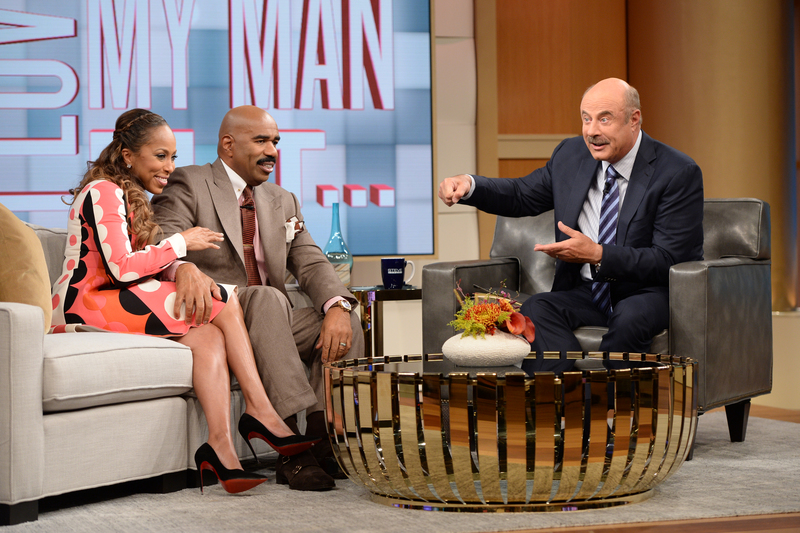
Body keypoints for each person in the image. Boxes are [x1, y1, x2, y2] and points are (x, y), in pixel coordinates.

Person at [51, 109, 318, 495]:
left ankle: (221, 447)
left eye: (173, 157)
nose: (170, 167)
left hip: (112, 296)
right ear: (128, 155)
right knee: (220, 299)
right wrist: (181, 242)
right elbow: (121, 269)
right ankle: (260, 410)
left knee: (209, 336)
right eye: (161, 156)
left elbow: (137, 268)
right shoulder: (103, 191)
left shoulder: (132, 197)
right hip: (85, 301)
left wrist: (176, 259)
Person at [151, 105, 364, 491]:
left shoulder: (283, 199)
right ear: (229, 145)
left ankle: (321, 440)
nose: (273, 151)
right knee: (267, 298)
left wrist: (337, 306)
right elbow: (162, 240)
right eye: (262, 140)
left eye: (276, 142)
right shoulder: (190, 182)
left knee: (346, 315)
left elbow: (311, 261)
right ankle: (291, 452)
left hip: (272, 319)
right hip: (220, 314)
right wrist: (183, 268)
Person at [439, 78, 704, 373]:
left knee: (630, 315)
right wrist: (470, 185)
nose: (592, 131)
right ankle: (564, 399)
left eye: (605, 119)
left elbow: (670, 259)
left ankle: (609, 408)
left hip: (646, 293)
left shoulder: (677, 172)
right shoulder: (571, 155)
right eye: (586, 119)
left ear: (634, 119)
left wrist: (598, 254)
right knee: (538, 308)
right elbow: (521, 194)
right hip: (589, 290)